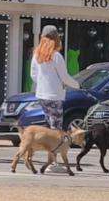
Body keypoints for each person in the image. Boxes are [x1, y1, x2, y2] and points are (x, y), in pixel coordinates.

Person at [30, 25, 80, 171]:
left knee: (50, 129)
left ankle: (50, 161)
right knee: (56, 131)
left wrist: (44, 84)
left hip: (42, 95)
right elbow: (64, 77)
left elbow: (34, 76)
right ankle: (53, 163)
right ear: (56, 38)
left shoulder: (36, 55)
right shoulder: (56, 56)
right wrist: (77, 85)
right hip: (54, 96)